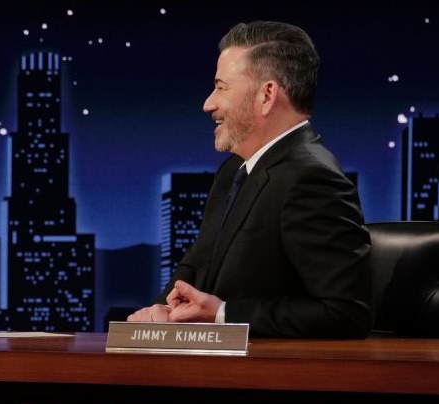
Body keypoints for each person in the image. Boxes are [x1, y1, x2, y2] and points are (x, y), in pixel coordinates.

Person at [129, 21, 371, 337]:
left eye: (221, 87)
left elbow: (345, 313)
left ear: (266, 94)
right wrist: (161, 310)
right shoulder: (232, 171)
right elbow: (198, 263)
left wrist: (223, 314)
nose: (208, 103)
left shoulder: (313, 177)